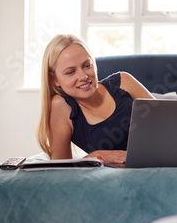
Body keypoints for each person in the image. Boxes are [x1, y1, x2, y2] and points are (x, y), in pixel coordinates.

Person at [37, 34, 154, 167]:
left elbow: (167, 120)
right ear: (54, 79)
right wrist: (96, 157)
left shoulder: (123, 82)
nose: (83, 76)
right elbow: (60, 169)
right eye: (70, 72)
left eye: (87, 65)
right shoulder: (61, 106)